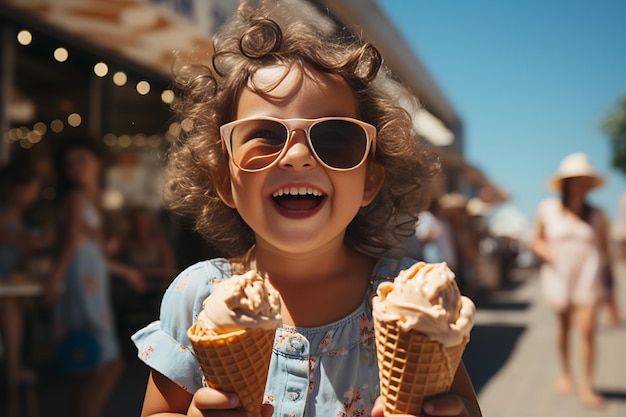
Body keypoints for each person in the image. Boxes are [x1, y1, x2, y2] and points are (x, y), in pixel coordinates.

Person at [132, 1, 481, 416]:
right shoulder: (197, 297)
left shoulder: (410, 298)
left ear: (370, 180)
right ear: (224, 180)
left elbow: (463, 407)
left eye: (336, 138)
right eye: (263, 135)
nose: (297, 156)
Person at [44, 138, 146, 417]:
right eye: (70, 164)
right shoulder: (77, 197)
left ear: (97, 162)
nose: (75, 168)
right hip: (80, 287)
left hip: (89, 285)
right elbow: (72, 243)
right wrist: (55, 278)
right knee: (104, 365)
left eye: (82, 160)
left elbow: (93, 253)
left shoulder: (90, 200)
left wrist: (126, 270)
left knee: (92, 365)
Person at [532, 151, 615, 409]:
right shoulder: (547, 209)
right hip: (559, 275)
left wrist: (612, 294)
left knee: (588, 331)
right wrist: (548, 253)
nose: (581, 184)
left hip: (589, 276)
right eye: (576, 179)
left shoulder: (598, 215)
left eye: (584, 180)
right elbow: (536, 240)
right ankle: (566, 372)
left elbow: (606, 252)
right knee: (564, 327)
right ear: (566, 183)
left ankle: (587, 386)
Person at [0, 162, 51, 384]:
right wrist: (28, 241)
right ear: (17, 187)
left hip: (9, 279)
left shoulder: (22, 215)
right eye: (31, 187)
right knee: (11, 308)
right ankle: (13, 369)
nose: (35, 194)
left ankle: (19, 363)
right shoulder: (6, 212)